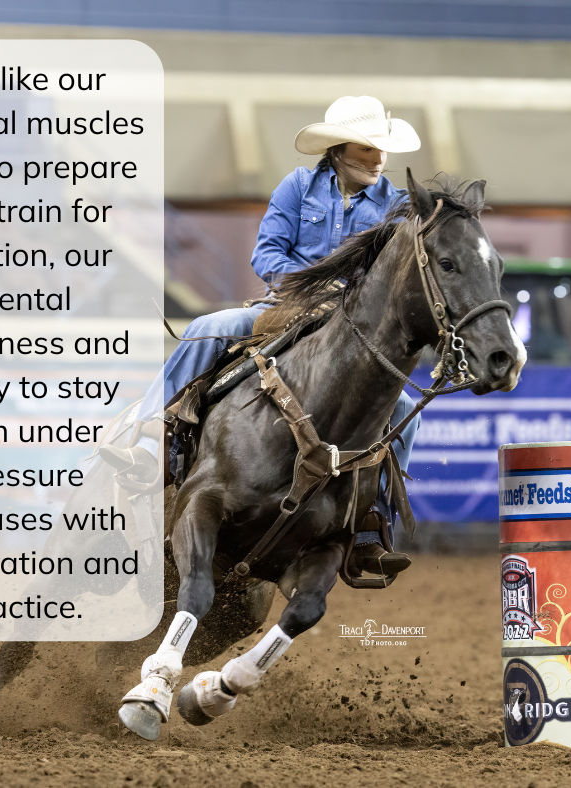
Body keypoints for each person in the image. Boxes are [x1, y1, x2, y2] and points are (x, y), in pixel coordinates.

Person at [107, 96, 422, 576]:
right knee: (206, 329)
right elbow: (267, 254)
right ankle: (149, 447)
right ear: (338, 150)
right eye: (366, 148)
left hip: (354, 328)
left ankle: (369, 520)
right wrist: (311, 287)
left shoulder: (397, 207)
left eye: (382, 148)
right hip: (287, 307)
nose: (379, 159)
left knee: (401, 407)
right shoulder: (296, 188)